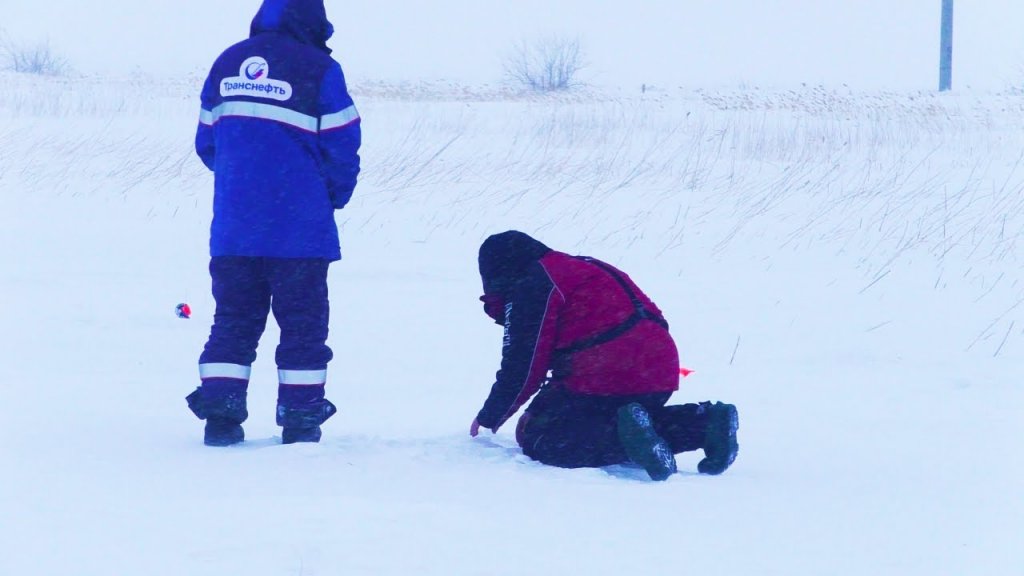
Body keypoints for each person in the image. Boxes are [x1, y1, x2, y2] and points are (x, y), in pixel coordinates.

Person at [185, 0, 361, 446]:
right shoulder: (319, 69)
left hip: (233, 230)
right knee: (303, 326)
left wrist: (242, 186)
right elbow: (342, 146)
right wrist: (327, 198)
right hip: (300, 233)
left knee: (233, 321)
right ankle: (301, 421)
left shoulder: (227, 61)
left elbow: (208, 143)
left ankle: (221, 418)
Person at [470, 231, 739, 480]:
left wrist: (489, 418)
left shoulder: (534, 284)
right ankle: (704, 423)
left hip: (605, 372)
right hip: (659, 370)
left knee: (539, 435)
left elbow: (524, 364)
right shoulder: (582, 266)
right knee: (614, 419)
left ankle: (624, 442)